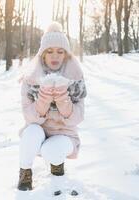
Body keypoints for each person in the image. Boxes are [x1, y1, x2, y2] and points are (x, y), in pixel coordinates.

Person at [17, 21, 87, 191]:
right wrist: (44, 99)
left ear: (66, 55)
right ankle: (25, 172)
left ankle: (57, 164)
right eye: (49, 51)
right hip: (39, 131)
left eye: (60, 51)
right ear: (42, 55)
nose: (55, 56)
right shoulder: (31, 79)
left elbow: (77, 118)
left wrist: (63, 98)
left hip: (65, 134)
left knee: (51, 150)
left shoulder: (75, 78)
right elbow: (28, 116)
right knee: (30, 131)